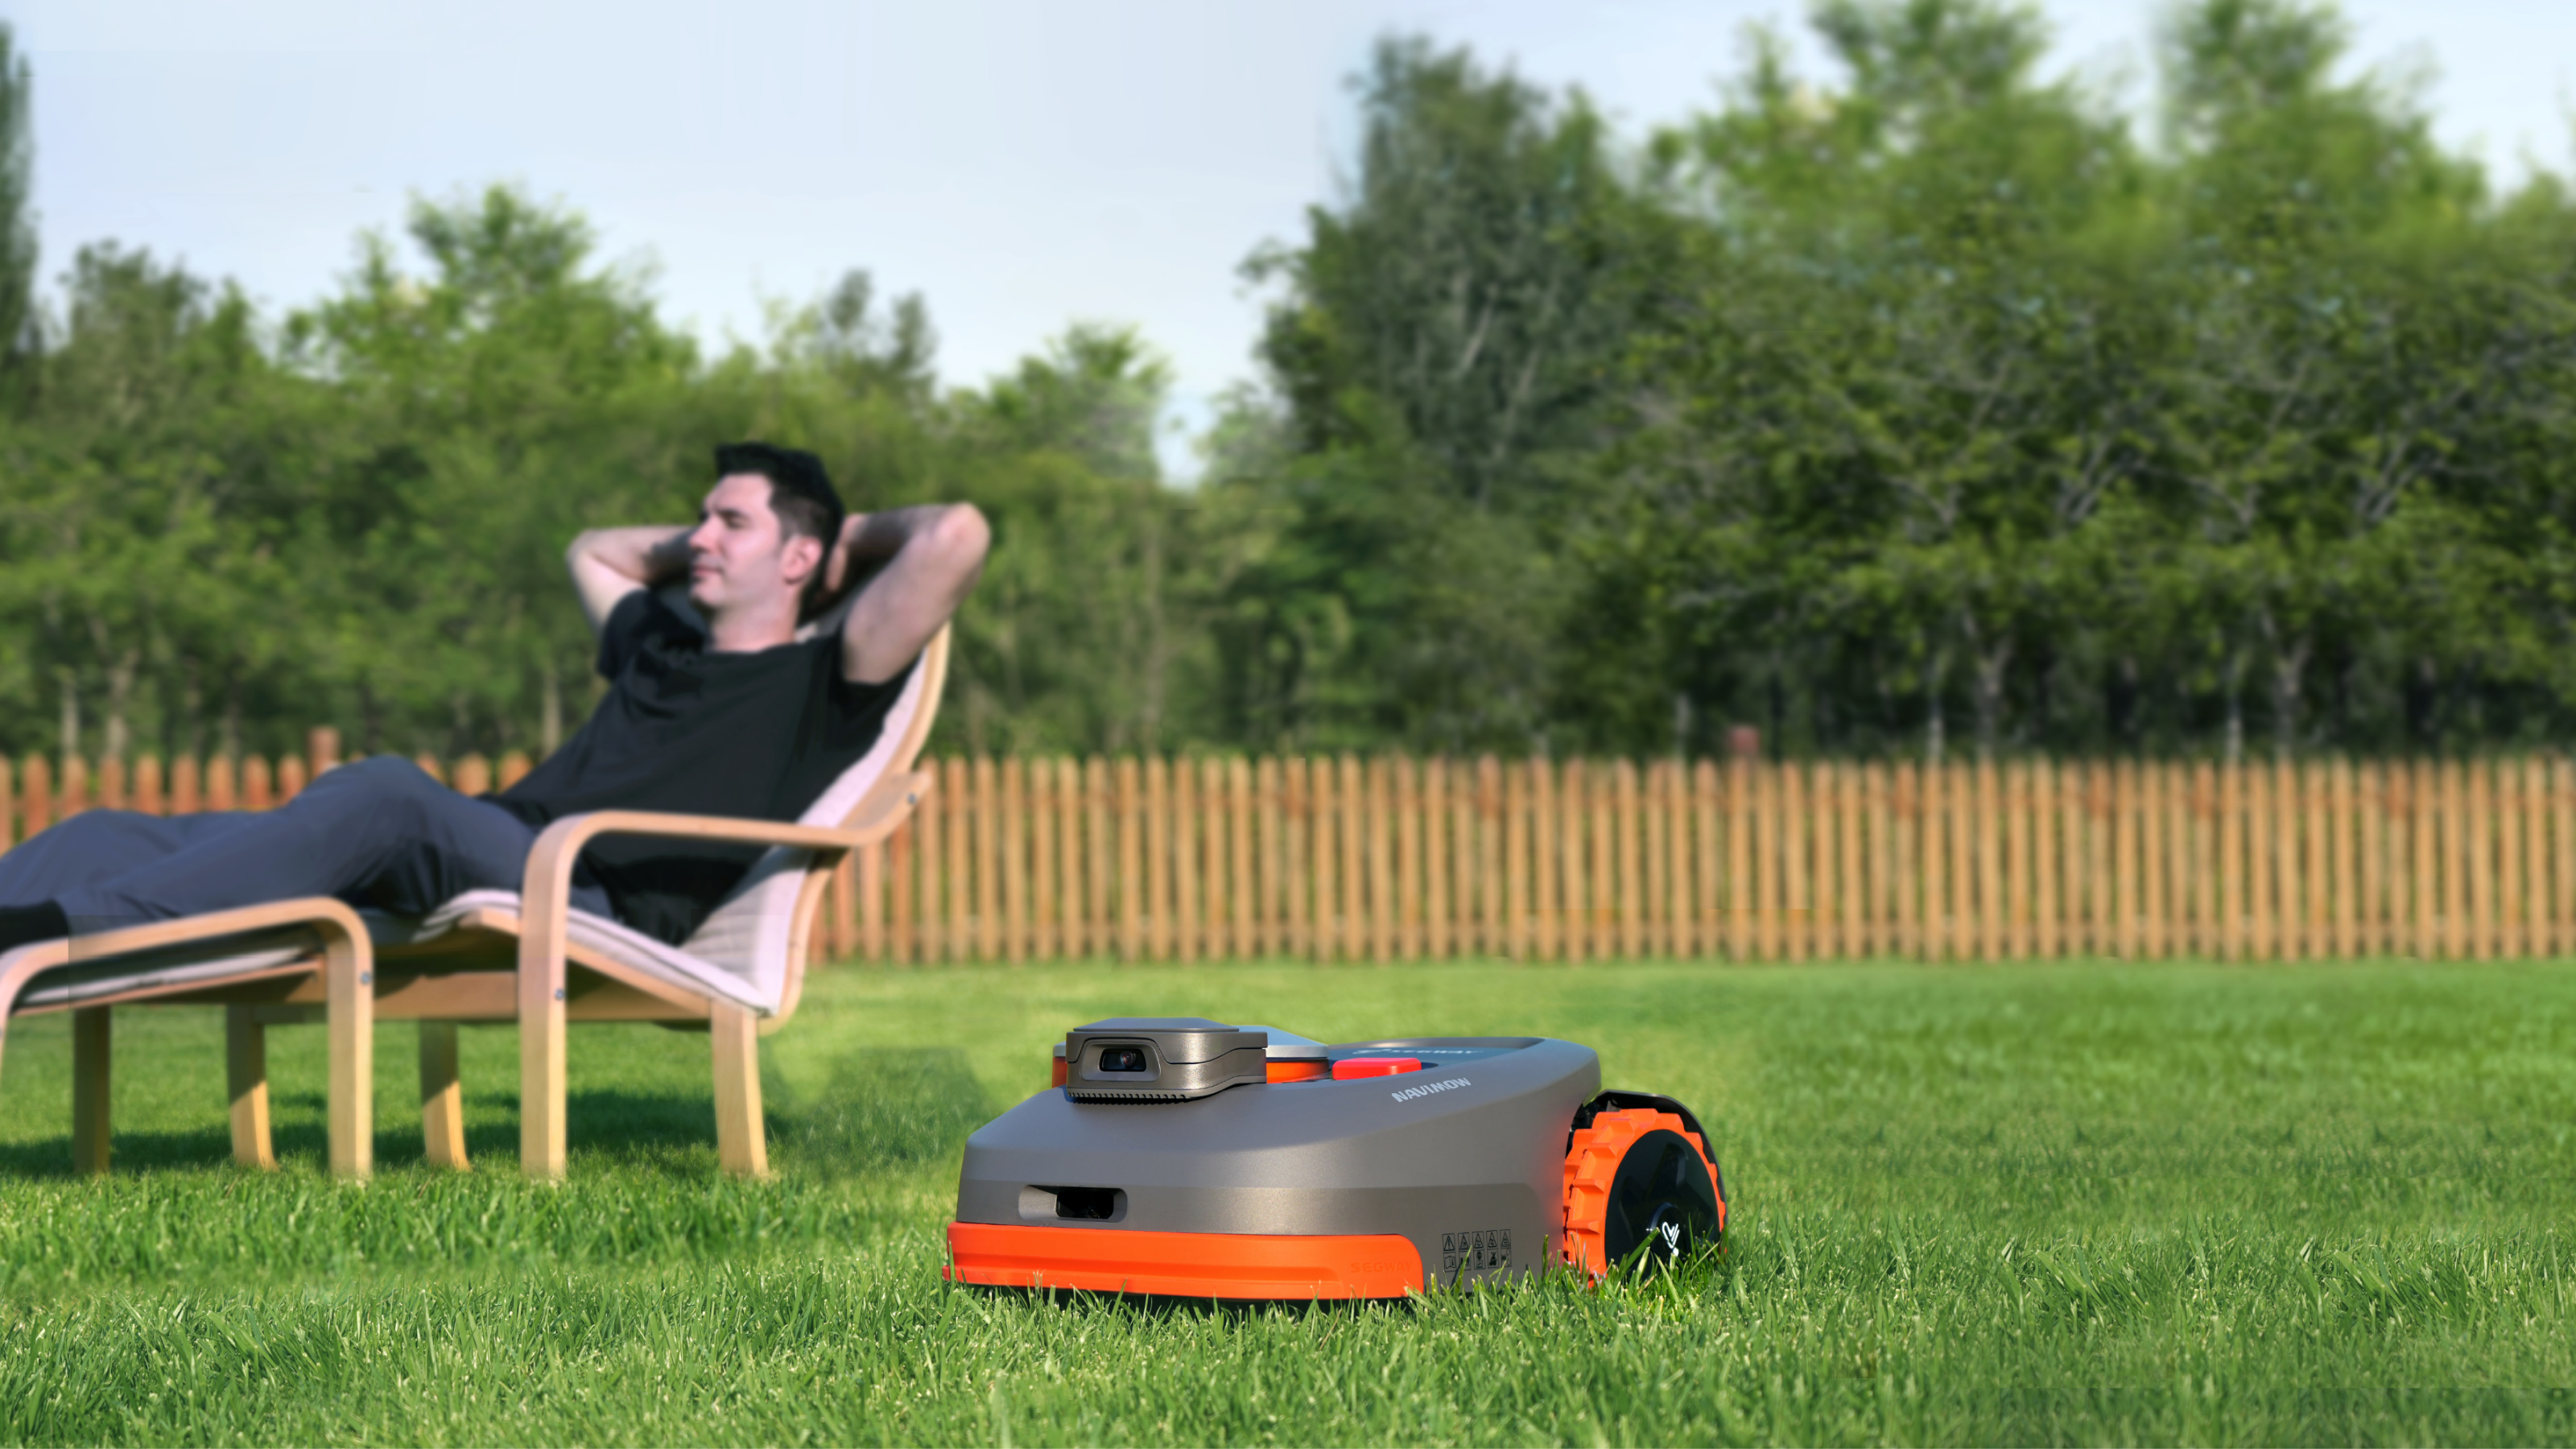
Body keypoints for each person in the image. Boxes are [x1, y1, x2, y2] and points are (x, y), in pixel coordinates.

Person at [0, 442, 988, 952]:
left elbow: (956, 535)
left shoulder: (823, 682)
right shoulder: (657, 645)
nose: (699, 537)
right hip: (497, 844)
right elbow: (591, 550)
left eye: (731, 521)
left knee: (387, 794)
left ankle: (56, 936)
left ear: (803, 556)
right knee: (106, 831)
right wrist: (719, 541)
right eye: (698, 519)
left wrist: (837, 536)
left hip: (593, 890)